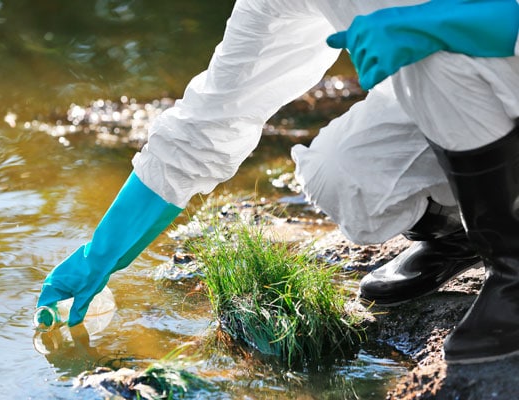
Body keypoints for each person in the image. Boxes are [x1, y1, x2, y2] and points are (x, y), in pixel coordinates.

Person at [37, 0, 519, 364]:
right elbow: (210, 120)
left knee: (436, 54)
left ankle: (511, 269)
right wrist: (100, 255)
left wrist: (445, 22)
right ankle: (466, 232)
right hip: (477, 100)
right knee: (342, 173)